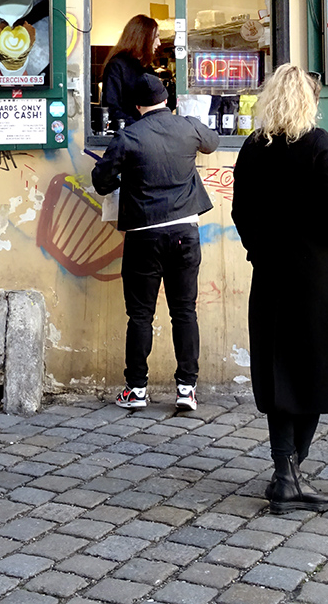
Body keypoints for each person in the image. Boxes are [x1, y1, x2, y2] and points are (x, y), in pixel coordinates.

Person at [231, 64, 328, 514]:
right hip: (318, 278)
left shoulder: (253, 148)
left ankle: (285, 474)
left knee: (282, 376)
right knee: (314, 373)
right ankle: (288, 475)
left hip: (273, 277)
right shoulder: (318, 144)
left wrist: (260, 253)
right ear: (308, 101)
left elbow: (240, 211)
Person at [92, 73, 219, 410]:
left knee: (140, 316)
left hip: (143, 235)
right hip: (184, 233)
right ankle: (186, 390)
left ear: (137, 106)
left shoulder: (127, 136)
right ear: (169, 100)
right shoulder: (187, 126)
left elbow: (101, 182)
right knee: (184, 312)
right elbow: (213, 142)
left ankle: (135, 390)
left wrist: (126, 176)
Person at [101, 14, 161, 128]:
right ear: (143, 37)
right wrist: (140, 126)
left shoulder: (146, 67)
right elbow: (111, 108)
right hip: (129, 134)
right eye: (156, 36)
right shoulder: (116, 66)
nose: (159, 43)